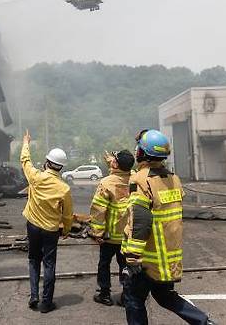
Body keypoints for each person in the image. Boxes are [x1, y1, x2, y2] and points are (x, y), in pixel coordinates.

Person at [121, 129, 214, 325]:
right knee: (166, 297)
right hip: (167, 259)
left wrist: (132, 257)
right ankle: (203, 322)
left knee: (134, 300)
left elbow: (141, 219)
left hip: (147, 259)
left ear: (142, 153)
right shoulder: (173, 179)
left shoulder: (141, 180)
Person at [20, 130, 73, 313]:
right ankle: (46, 303)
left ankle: (33, 296)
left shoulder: (35, 177)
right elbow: (67, 215)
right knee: (49, 264)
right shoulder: (64, 189)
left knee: (34, 260)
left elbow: (25, 161)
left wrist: (26, 142)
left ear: (48, 163)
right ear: (61, 167)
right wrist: (66, 230)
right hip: (51, 230)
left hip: (33, 226)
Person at [89, 149, 136, 306]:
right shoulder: (135, 178)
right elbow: (124, 170)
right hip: (127, 236)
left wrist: (97, 232)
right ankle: (126, 295)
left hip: (109, 236)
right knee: (125, 265)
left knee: (104, 263)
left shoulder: (106, 183)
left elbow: (98, 210)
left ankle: (104, 294)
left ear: (116, 164)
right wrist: (113, 160)